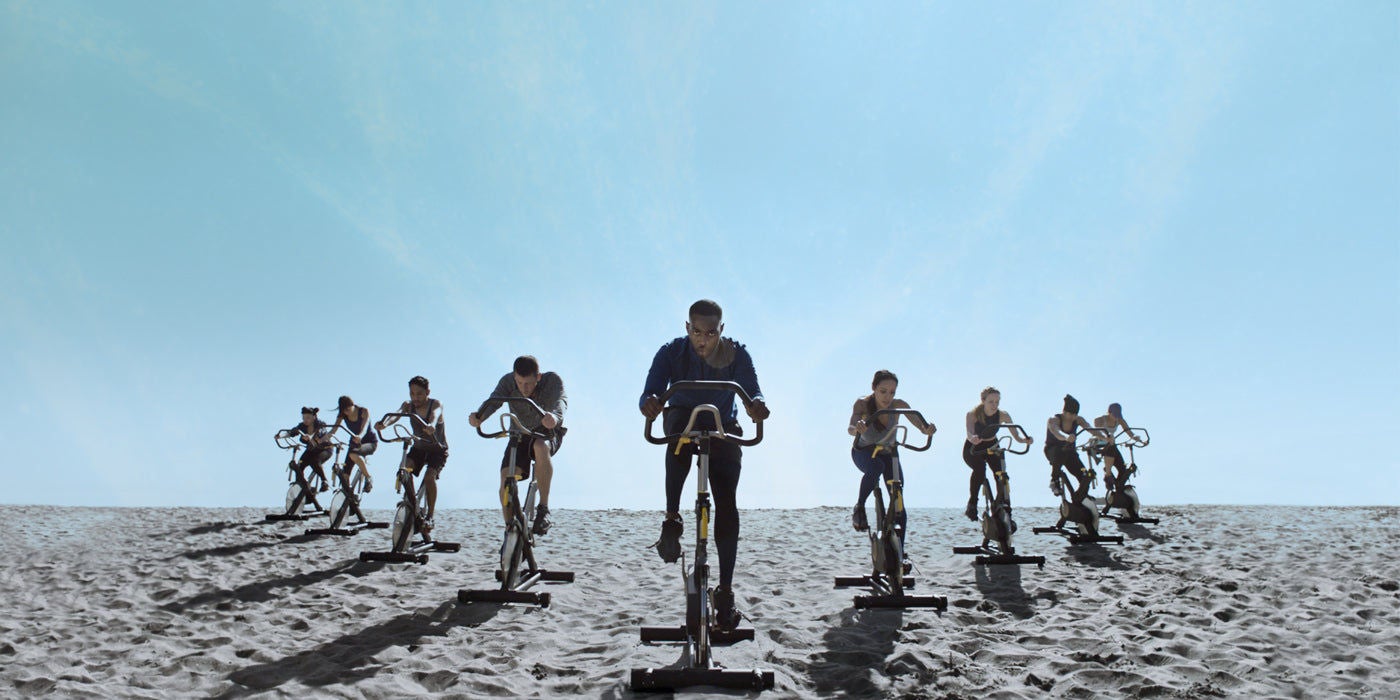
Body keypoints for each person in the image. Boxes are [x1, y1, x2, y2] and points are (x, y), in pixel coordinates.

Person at [640, 299, 769, 631]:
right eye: (697, 332)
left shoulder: (736, 354)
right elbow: (650, 390)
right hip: (682, 416)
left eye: (711, 333)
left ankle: (725, 591)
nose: (703, 340)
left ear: (721, 331)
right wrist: (650, 404)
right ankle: (671, 518)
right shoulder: (671, 352)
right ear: (687, 328)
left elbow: (752, 390)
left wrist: (757, 405)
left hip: (722, 423)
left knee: (727, 501)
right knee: (680, 436)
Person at [469, 355, 568, 536]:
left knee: (540, 446)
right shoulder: (508, 382)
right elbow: (494, 401)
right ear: (514, 376)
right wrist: (479, 416)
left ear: (538, 377)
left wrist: (554, 417)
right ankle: (509, 529)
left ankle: (543, 509)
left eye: (528, 383)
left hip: (546, 433)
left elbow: (560, 403)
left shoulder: (552, 380)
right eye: (520, 382)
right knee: (506, 478)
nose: (524, 388)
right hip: (519, 435)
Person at [846, 370, 935, 547]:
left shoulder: (898, 405)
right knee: (876, 468)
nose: (888, 397)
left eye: (892, 392)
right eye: (883, 391)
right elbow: (850, 427)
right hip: (864, 452)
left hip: (888, 453)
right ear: (874, 388)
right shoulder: (863, 404)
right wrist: (858, 428)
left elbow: (919, 424)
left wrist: (927, 430)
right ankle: (860, 507)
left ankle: (899, 553)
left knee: (898, 496)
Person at [375, 376, 447, 531]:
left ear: (428, 392)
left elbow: (435, 415)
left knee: (429, 478)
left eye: (419, 394)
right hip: (419, 448)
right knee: (404, 470)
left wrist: (431, 425)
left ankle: (430, 517)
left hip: (437, 449)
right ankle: (412, 503)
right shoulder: (408, 405)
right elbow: (396, 415)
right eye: (412, 394)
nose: (415, 398)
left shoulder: (435, 403)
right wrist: (384, 424)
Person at [962, 387, 1033, 521]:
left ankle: (1004, 506)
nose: (995, 405)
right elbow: (969, 432)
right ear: (983, 401)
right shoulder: (972, 414)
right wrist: (973, 438)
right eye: (991, 402)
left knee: (1001, 475)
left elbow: (1017, 436)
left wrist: (1025, 440)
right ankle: (972, 504)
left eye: (997, 402)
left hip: (992, 445)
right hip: (973, 448)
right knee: (980, 470)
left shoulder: (1003, 415)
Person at [1043, 394, 1107, 506]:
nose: (1073, 417)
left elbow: (1091, 429)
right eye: (1071, 414)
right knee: (1060, 452)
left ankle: (1080, 497)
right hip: (1053, 451)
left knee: (1084, 475)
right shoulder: (1054, 419)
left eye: (1075, 414)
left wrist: (1105, 437)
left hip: (1070, 453)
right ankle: (1054, 480)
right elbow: (1056, 432)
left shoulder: (1078, 419)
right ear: (1064, 412)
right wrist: (1066, 436)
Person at [1093, 402, 1143, 512]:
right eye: (1114, 415)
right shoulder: (1100, 419)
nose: (1116, 418)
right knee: (1111, 447)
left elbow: (1129, 432)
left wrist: (1136, 438)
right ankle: (1108, 474)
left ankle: (1117, 492)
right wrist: (1106, 437)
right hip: (1100, 445)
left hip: (1112, 445)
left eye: (1117, 415)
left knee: (1123, 470)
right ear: (1109, 412)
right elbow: (1097, 432)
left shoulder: (1119, 420)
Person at [328, 395, 377, 493]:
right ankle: (348, 497)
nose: (346, 412)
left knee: (353, 454)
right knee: (345, 475)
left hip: (369, 442)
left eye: (347, 409)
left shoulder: (363, 411)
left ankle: (368, 478)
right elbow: (333, 430)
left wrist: (359, 436)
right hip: (354, 444)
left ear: (352, 405)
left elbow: (364, 428)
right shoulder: (342, 415)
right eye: (343, 410)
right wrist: (321, 440)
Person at [285, 406, 333, 491]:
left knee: (314, 461)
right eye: (303, 418)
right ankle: (302, 486)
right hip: (311, 450)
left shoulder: (320, 424)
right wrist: (280, 436)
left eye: (308, 418)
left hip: (325, 449)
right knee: (299, 465)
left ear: (314, 417)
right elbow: (291, 432)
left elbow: (319, 432)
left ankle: (324, 481)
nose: (305, 420)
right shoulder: (302, 426)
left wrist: (310, 437)